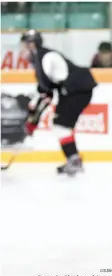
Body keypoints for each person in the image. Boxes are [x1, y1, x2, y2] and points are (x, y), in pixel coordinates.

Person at [20, 29, 97, 176]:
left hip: (77, 90)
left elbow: (45, 93)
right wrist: (34, 118)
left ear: (32, 45)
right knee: (61, 125)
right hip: (72, 90)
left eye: (24, 45)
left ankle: (74, 161)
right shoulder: (40, 58)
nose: (22, 50)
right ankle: (73, 160)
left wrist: (34, 120)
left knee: (61, 126)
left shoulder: (44, 58)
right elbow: (46, 93)